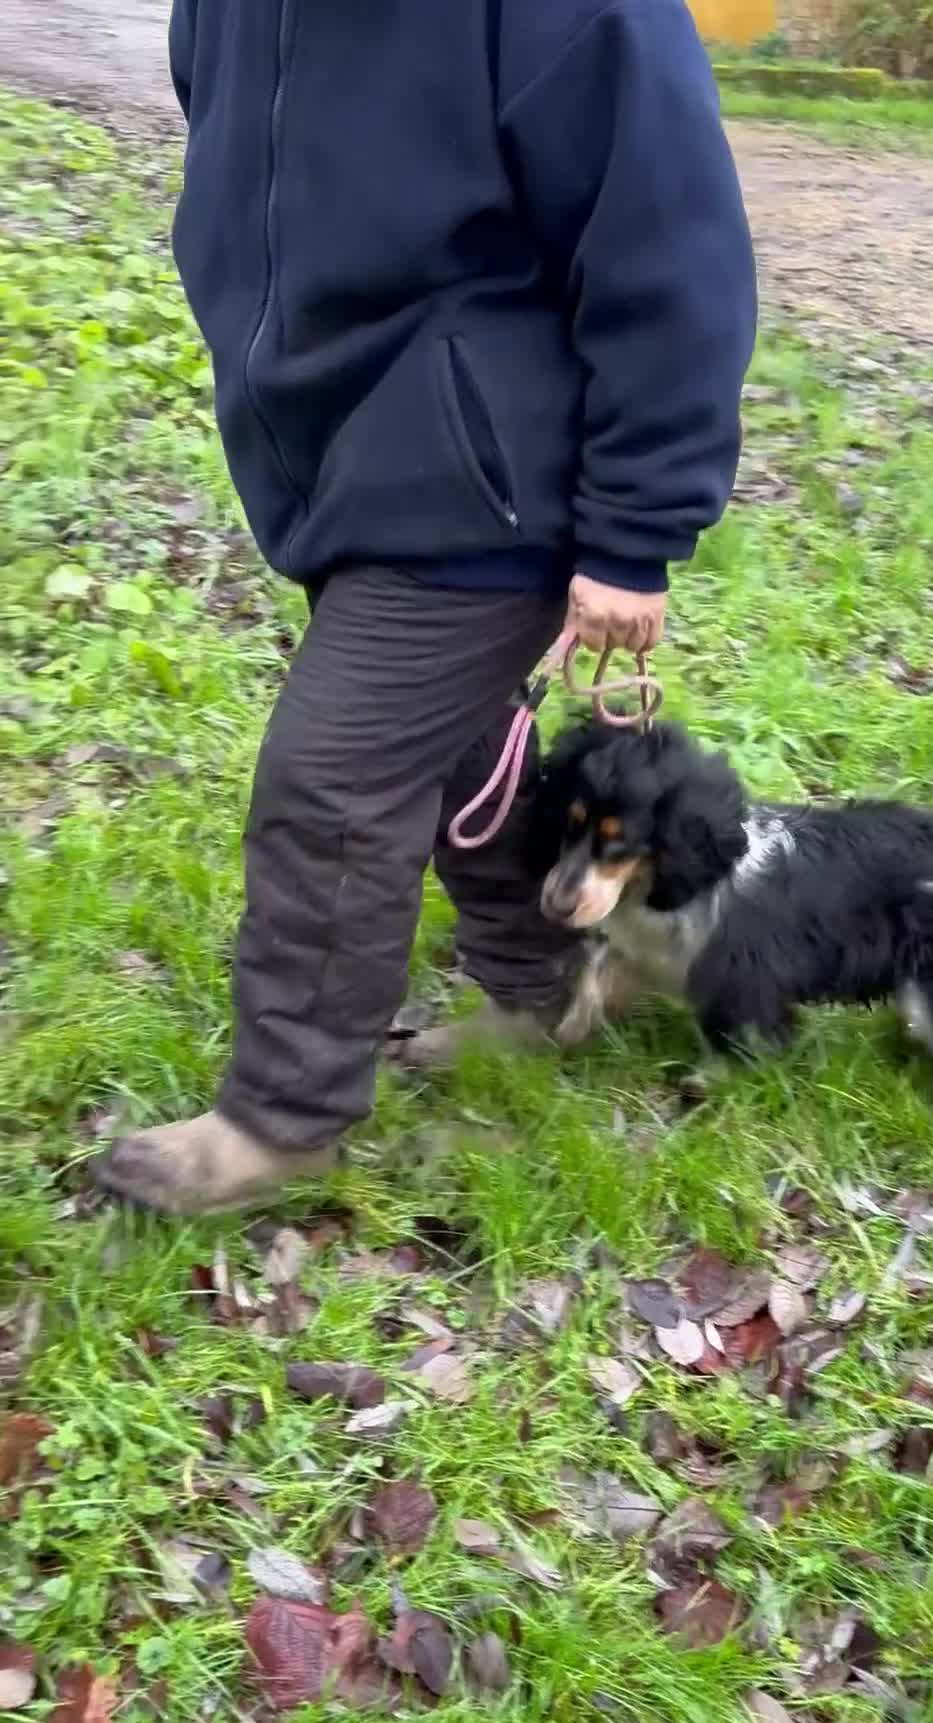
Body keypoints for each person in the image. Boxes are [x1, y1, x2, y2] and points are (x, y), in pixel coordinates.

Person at [92, 0, 757, 1216]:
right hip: (340, 456)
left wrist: (636, 528)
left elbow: (669, 243)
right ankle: (546, 988)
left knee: (334, 778)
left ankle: (285, 1117)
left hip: (486, 483)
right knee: (444, 755)